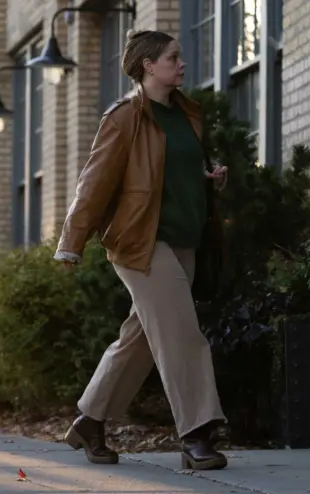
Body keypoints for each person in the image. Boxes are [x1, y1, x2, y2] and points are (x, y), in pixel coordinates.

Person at [55, 30, 230, 471]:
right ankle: (196, 433)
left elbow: (173, 172)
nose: (181, 64)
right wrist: (71, 243)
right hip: (140, 242)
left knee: (142, 338)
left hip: (183, 239)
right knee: (183, 335)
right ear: (149, 65)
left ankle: (90, 420)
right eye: (173, 57)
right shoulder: (124, 118)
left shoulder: (187, 114)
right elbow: (93, 184)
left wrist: (209, 180)